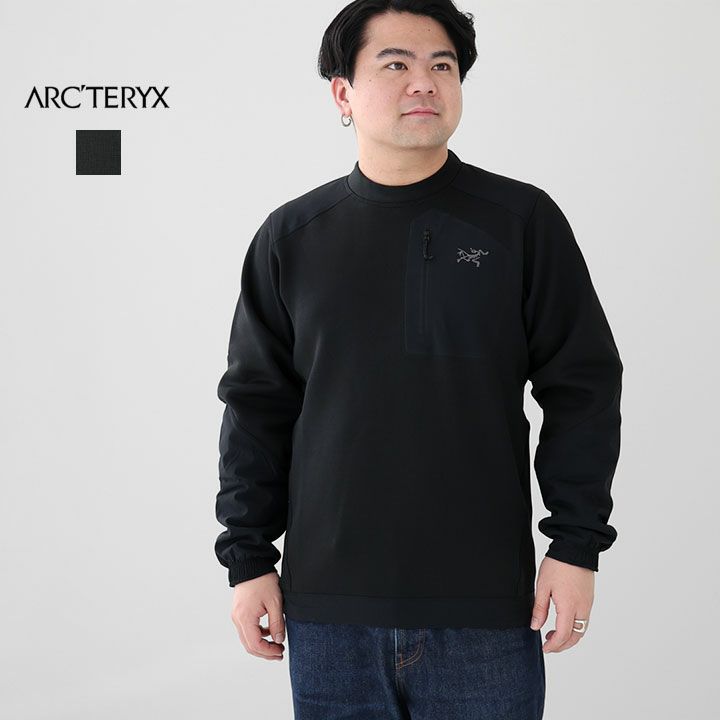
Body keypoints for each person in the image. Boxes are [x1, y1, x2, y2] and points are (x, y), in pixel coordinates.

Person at [214, 1, 623, 717]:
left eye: (442, 66)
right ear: (342, 92)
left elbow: (583, 385)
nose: (425, 82)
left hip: (486, 610)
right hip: (329, 613)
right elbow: (255, 406)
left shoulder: (520, 221)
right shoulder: (292, 236)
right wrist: (247, 559)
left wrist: (575, 545)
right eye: (395, 64)